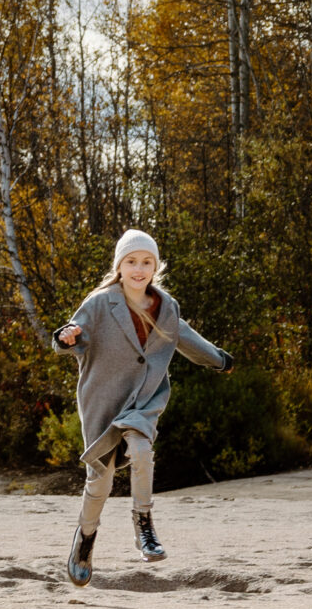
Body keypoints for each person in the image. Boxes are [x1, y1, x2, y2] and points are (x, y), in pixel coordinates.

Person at [53, 230, 233, 583]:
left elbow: (182, 334)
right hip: (103, 399)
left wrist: (218, 359)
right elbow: (74, 334)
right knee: (100, 483)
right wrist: (66, 336)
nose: (139, 269)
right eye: (132, 262)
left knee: (141, 448)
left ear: (156, 266)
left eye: (146, 262)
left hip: (145, 398)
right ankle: (85, 538)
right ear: (119, 266)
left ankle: (144, 525)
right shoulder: (100, 302)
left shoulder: (166, 306)